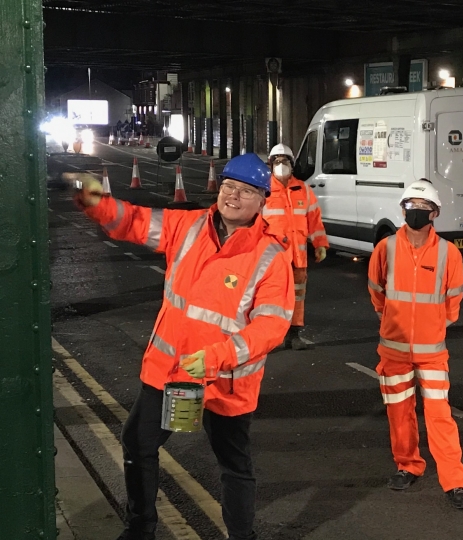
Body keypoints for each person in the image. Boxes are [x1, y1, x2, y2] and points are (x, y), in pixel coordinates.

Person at [72, 153, 295, 540]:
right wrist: (96, 203)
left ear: (263, 201)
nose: (232, 196)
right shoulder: (189, 225)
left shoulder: (271, 256)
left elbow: (271, 328)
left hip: (225, 383)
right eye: (228, 186)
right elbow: (136, 222)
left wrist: (214, 358)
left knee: (234, 465)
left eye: (245, 191)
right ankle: (141, 528)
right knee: (137, 443)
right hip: (172, 372)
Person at [367, 179, 463, 510]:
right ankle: (407, 465)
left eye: (423, 208)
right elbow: (377, 292)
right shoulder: (384, 249)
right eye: (411, 207)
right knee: (399, 414)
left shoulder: (449, 253)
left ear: (435, 214)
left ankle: (455, 481)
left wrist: (433, 328)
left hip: (432, 354)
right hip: (394, 350)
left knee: (440, 415)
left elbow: (453, 301)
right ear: (402, 210)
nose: (416, 213)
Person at [263, 143, 329, 350]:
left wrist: (320, 244)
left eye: (285, 161)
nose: (281, 165)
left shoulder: (304, 190)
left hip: (297, 257)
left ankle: (294, 334)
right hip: (272, 258)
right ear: (270, 164)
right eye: (277, 161)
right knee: (273, 297)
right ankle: (273, 335)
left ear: (292, 164)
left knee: (297, 296)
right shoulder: (263, 191)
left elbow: (314, 221)